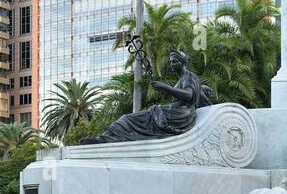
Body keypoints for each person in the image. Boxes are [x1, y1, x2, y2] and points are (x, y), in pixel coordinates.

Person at [85, 50, 213, 143]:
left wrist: (165, 87)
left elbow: (189, 95)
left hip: (181, 115)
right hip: (174, 112)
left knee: (129, 118)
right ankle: (107, 137)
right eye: (171, 62)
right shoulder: (183, 79)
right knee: (136, 119)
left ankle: (107, 138)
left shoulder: (189, 76)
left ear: (182, 63)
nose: (171, 64)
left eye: (174, 62)